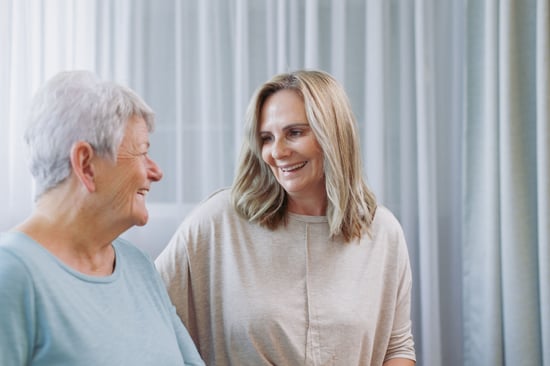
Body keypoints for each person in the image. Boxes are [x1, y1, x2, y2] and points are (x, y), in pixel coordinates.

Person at [155, 69, 416, 366]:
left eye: (295, 133)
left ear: (333, 135)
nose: (276, 152)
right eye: (266, 138)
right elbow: (144, 314)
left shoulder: (382, 231)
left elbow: (397, 347)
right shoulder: (217, 222)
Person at [0, 70, 205, 366]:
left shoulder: (139, 266)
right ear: (86, 164)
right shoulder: (12, 274)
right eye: (142, 153)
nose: (156, 172)